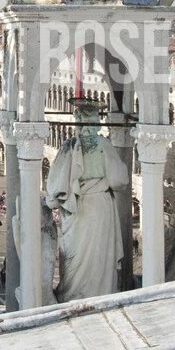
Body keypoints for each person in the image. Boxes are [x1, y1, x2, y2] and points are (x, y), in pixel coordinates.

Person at [45, 101, 129, 301]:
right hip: (100, 208)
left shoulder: (68, 146)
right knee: (100, 257)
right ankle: (101, 296)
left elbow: (54, 187)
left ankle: (72, 297)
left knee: (74, 258)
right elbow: (119, 180)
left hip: (76, 209)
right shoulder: (103, 145)